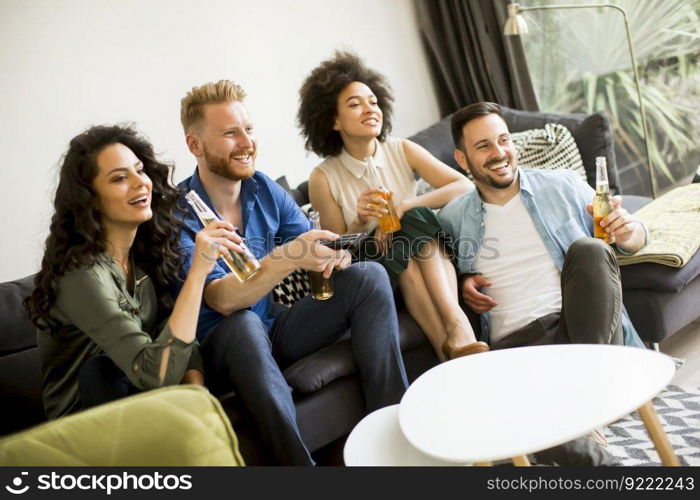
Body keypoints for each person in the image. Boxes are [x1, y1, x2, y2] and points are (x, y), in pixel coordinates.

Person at [176, 79, 408, 466]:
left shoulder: (263, 188)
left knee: (369, 277)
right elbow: (222, 299)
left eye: (248, 129)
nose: (246, 142)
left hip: (273, 332)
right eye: (230, 133)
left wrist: (335, 256)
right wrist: (289, 256)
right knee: (244, 325)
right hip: (221, 349)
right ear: (195, 145)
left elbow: (313, 245)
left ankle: (396, 440)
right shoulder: (180, 214)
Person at [440, 102, 648, 465]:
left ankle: (577, 404)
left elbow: (634, 241)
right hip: (516, 353)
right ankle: (589, 429)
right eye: (483, 146)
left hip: (583, 334)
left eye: (503, 140)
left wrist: (630, 232)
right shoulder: (452, 219)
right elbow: (426, 268)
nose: (499, 152)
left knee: (590, 250)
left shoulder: (563, 185)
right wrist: (460, 281)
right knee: (516, 425)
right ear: (463, 159)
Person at [25, 124, 232, 420]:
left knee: (238, 329)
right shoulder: (80, 277)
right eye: (120, 178)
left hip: (142, 404)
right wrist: (199, 272)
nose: (140, 183)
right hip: (85, 428)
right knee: (104, 369)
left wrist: (199, 399)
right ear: (90, 198)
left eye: (139, 170)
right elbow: (153, 374)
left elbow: (179, 338)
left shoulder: (142, 258)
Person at [297, 50, 485, 362]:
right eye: (355, 104)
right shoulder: (322, 177)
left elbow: (463, 184)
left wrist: (406, 205)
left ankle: (450, 350)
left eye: (373, 101)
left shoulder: (401, 149)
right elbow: (337, 250)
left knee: (415, 223)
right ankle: (458, 330)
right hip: (375, 271)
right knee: (400, 240)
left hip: (417, 257)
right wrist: (359, 220)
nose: (369, 109)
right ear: (333, 120)